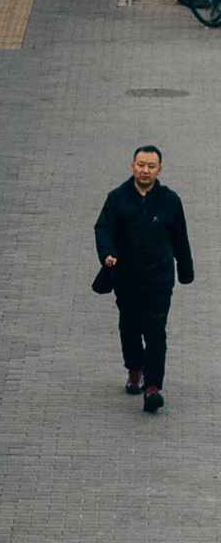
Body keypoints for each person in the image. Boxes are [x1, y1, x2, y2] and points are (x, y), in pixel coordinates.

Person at [94, 144, 194, 413]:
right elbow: (103, 228)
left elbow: (180, 238)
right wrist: (107, 253)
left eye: (151, 166)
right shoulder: (117, 198)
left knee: (154, 330)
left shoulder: (169, 201)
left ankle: (153, 388)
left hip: (159, 281)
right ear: (132, 166)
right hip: (126, 279)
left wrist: (185, 270)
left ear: (159, 169)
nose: (145, 170)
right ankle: (134, 369)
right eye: (141, 164)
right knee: (129, 327)